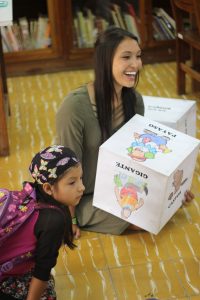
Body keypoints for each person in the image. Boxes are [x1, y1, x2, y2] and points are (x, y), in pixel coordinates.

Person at [56, 26, 194, 238]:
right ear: (105, 61)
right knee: (141, 221)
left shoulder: (135, 101)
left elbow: (139, 161)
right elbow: (65, 171)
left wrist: (173, 192)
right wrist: (69, 219)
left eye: (138, 56)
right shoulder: (74, 107)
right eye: (126, 57)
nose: (136, 64)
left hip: (115, 190)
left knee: (155, 213)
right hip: (79, 196)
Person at [0, 145, 85, 300]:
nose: (81, 187)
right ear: (48, 188)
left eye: (81, 178)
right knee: (47, 294)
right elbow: (42, 270)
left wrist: (73, 221)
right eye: (72, 183)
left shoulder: (30, 193)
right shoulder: (54, 220)